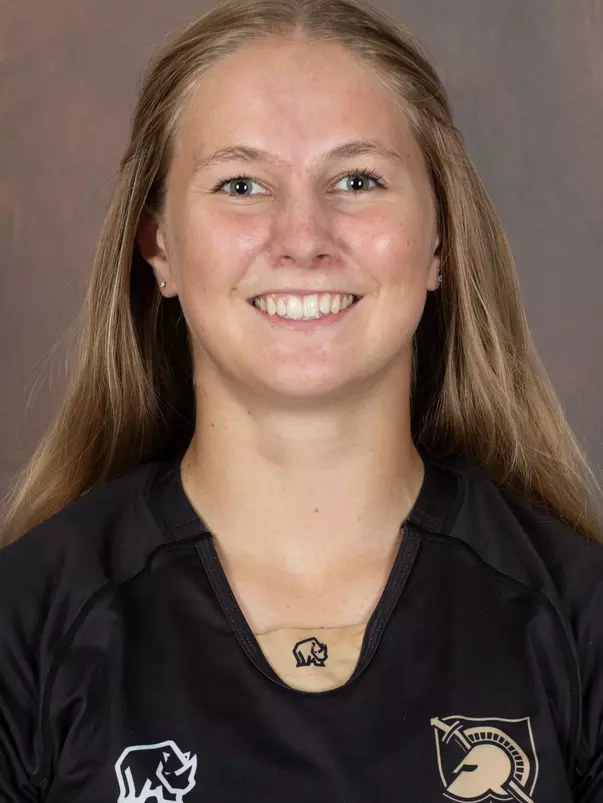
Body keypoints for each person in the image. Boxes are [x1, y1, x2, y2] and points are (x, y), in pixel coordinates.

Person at [0, 0, 601, 799]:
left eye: (357, 179)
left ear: (439, 242)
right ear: (160, 249)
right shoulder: (27, 626)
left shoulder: (576, 622)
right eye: (241, 183)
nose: (302, 236)